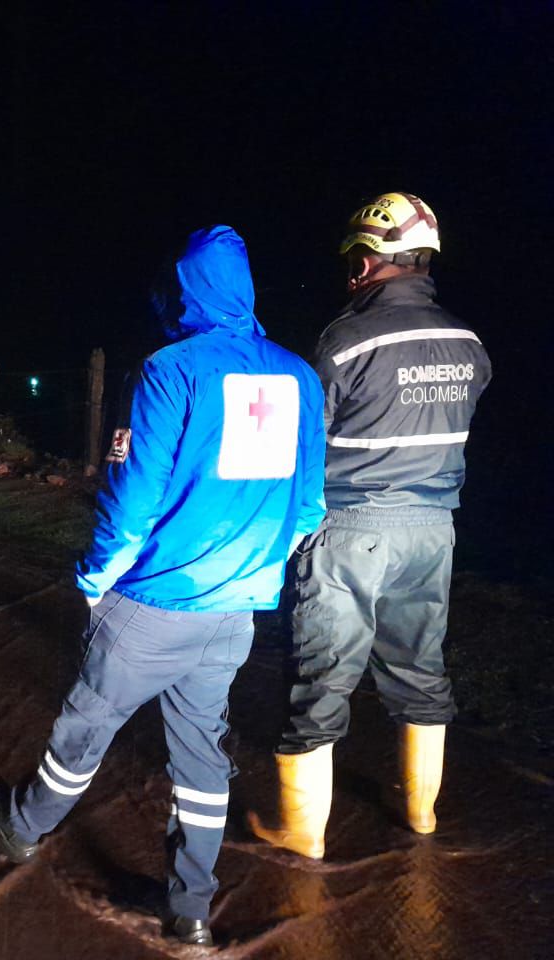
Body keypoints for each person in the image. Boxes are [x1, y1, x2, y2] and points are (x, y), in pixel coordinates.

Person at [0, 225, 327, 947]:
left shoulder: (171, 369)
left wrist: (97, 579)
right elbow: (312, 505)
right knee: (201, 754)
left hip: (154, 603)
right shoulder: (300, 376)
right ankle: (191, 905)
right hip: (235, 613)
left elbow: (133, 502)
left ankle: (23, 825)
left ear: (187, 289)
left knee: (87, 723)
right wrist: (254, 569)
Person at [249, 192, 492, 858]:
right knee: (420, 669)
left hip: (352, 530)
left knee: (322, 674)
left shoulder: (345, 339)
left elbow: (305, 440)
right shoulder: (468, 343)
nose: (349, 272)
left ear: (368, 258)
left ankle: (302, 831)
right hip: (434, 528)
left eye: (353, 259)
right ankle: (420, 814)